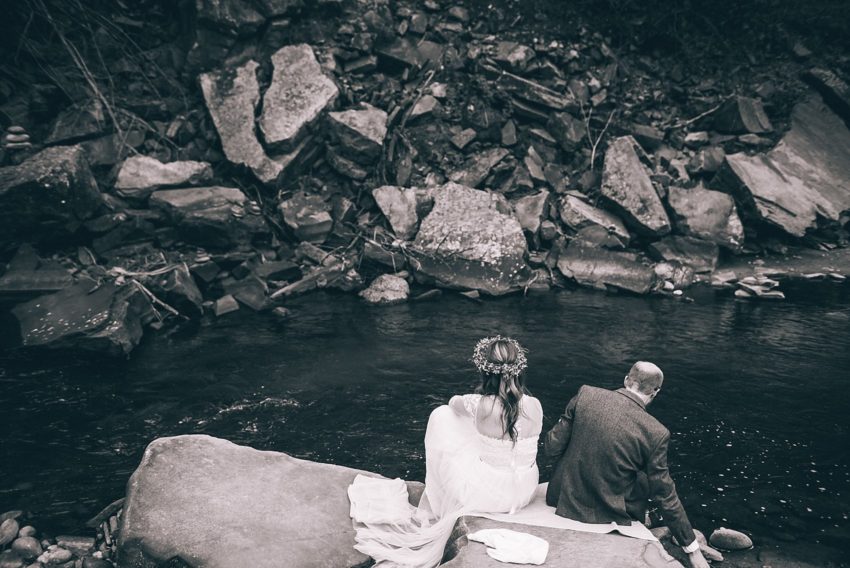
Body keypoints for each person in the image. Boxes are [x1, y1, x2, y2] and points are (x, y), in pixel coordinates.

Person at [350, 336, 543, 568]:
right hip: (524, 491)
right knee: (491, 441)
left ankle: (439, 502)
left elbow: (452, 403)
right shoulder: (535, 404)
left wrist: (477, 408)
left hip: (490, 497)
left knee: (442, 415)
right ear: (518, 370)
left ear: (485, 372)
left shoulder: (480, 404)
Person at [544, 361, 710, 568]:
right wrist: (692, 550)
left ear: (626, 380)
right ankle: (644, 516)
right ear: (655, 392)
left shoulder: (585, 394)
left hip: (560, 498)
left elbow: (551, 448)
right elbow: (665, 494)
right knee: (648, 475)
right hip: (607, 513)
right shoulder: (656, 431)